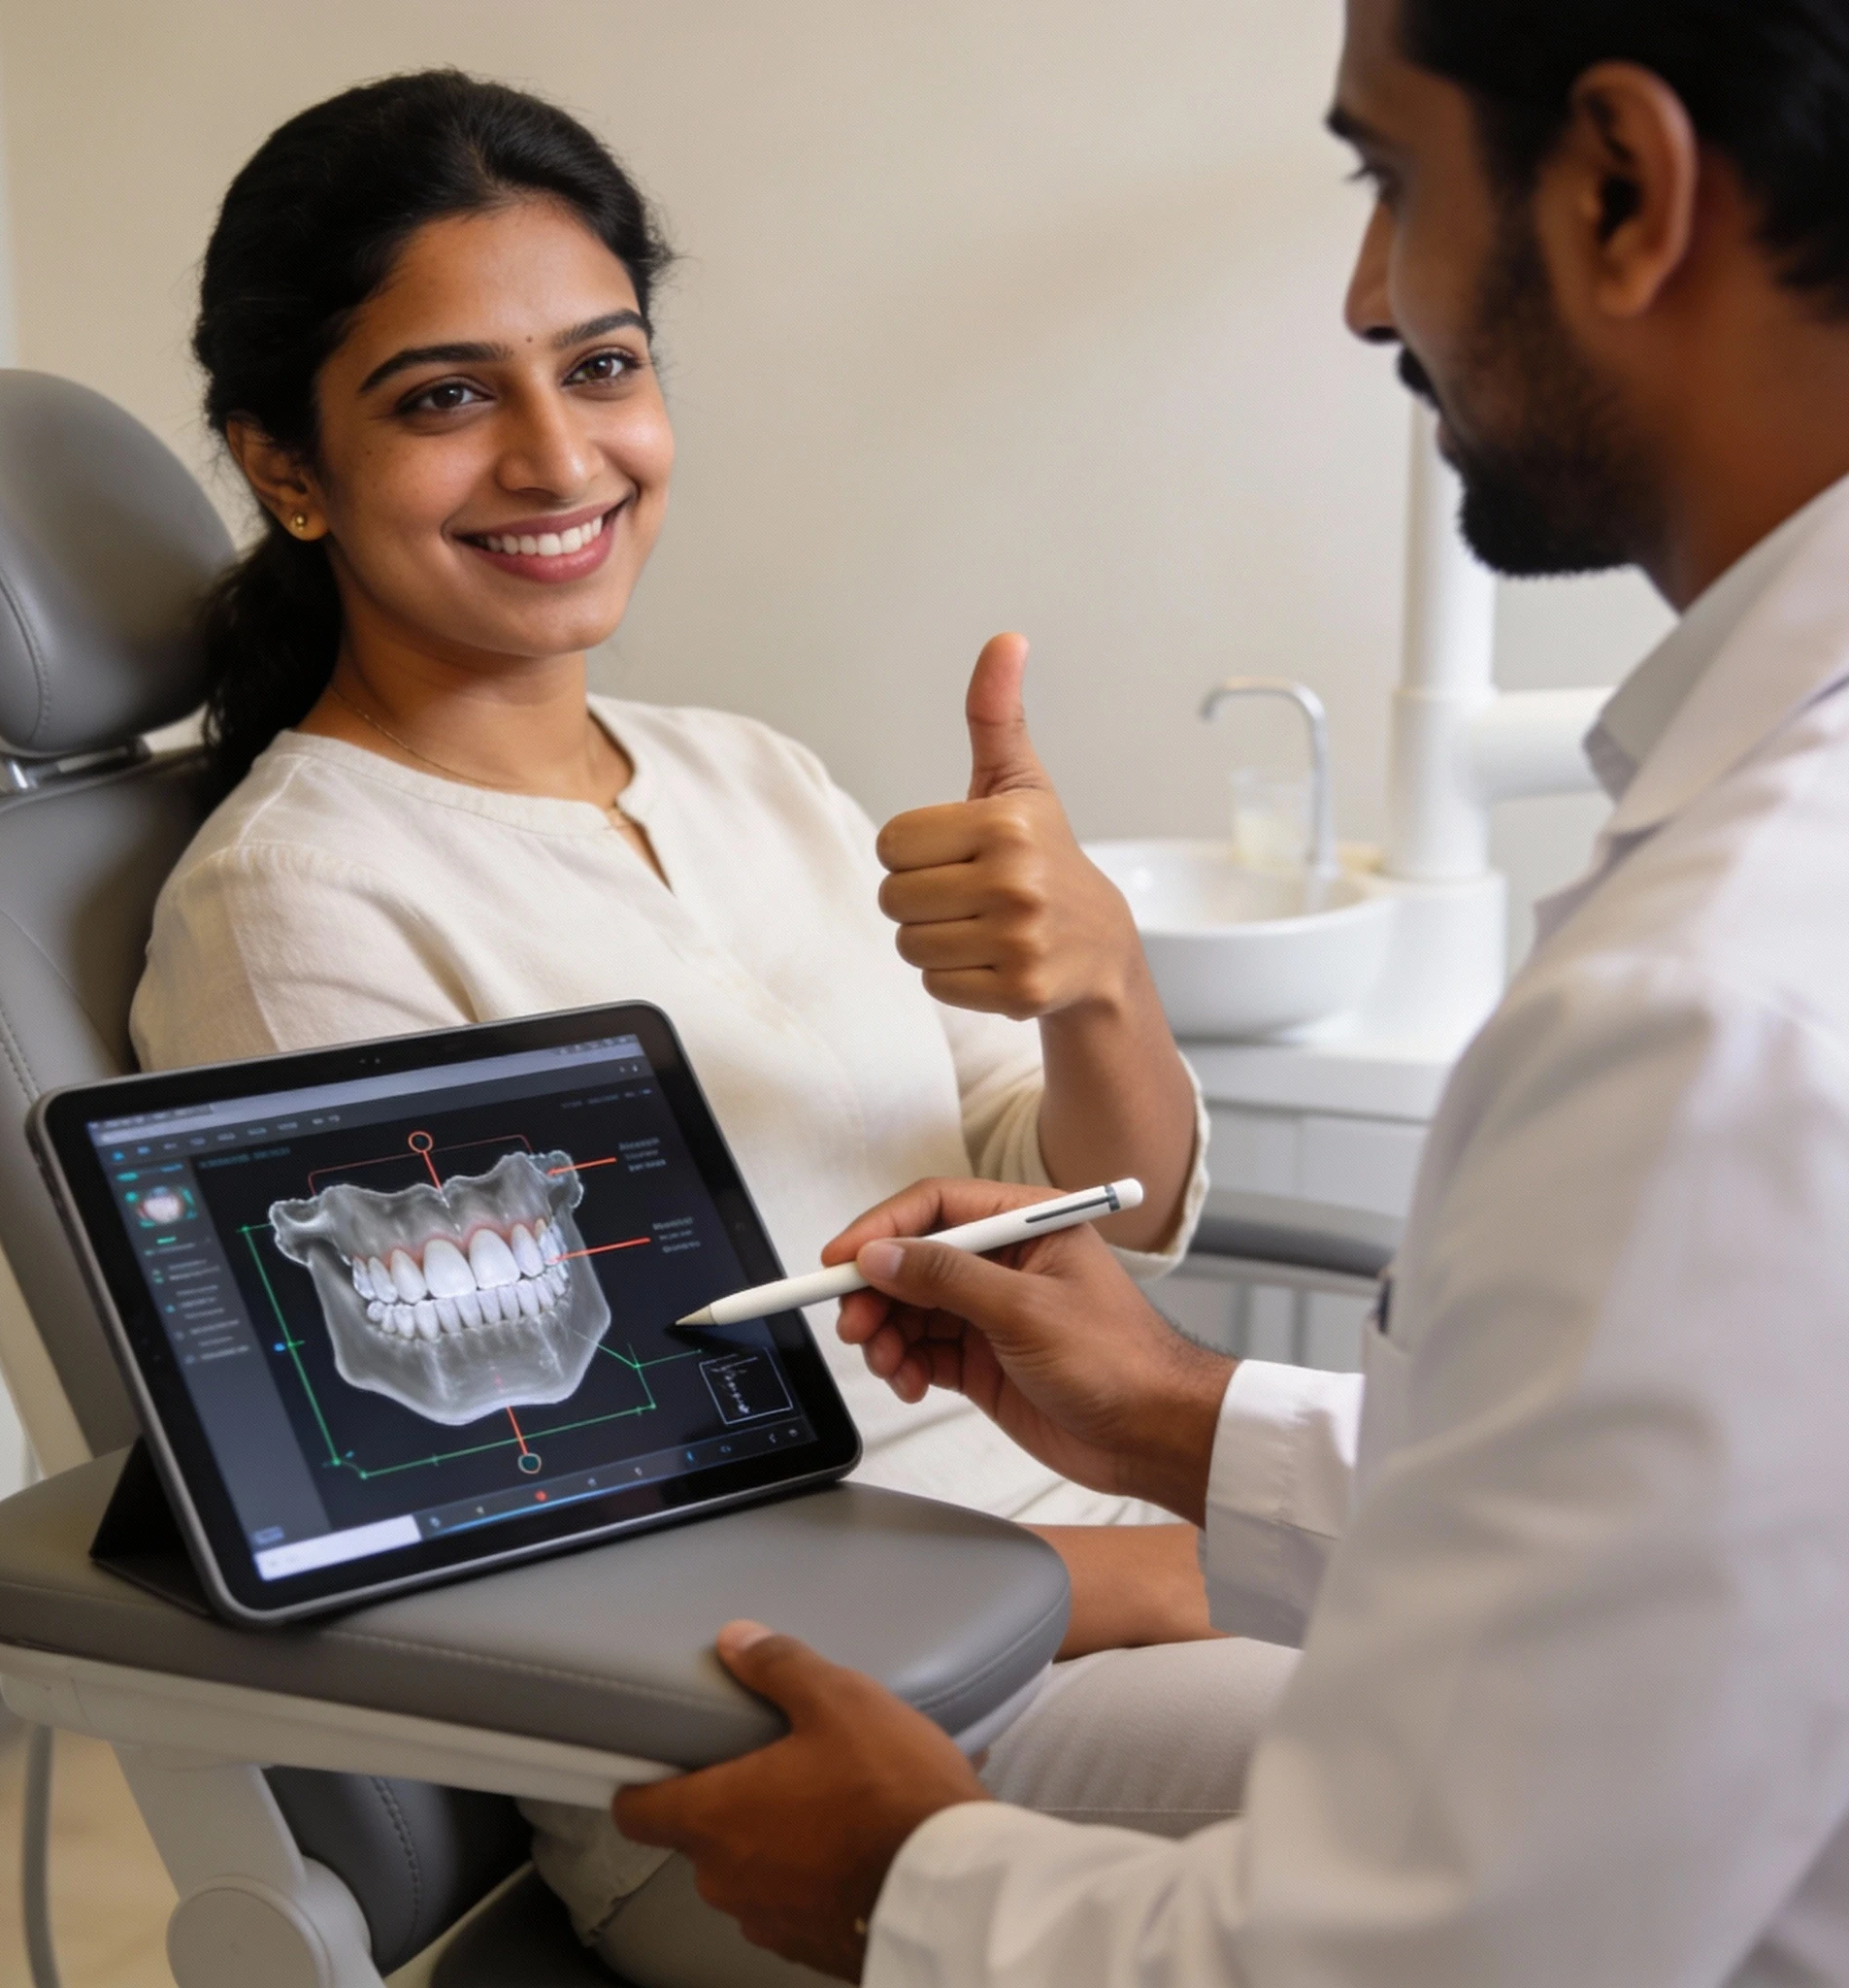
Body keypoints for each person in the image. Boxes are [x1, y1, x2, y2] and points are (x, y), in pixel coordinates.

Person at [611, 1, 1849, 1980]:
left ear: (1619, 188)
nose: (1368, 298)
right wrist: (1186, 1421)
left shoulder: (1708, 1010)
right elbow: (1721, 1533)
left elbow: (1448, 1952)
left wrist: (915, 1879)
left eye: (1387, 178)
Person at [129, 73, 1296, 1979]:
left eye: (600, 366)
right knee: (1562, 1778)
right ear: (287, 467)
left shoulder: (745, 772)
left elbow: (1110, 1202)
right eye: (443, 397)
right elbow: (530, 1525)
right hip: (803, 1735)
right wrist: (1155, 1573)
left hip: (1079, 1571)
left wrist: (1099, 980)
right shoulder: (305, 906)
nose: (554, 454)